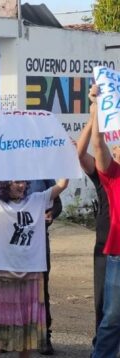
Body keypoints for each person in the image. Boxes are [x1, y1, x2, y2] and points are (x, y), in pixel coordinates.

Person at [0, 132, 68, 358]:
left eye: (24, 181)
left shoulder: (37, 200)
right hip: (3, 272)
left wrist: (66, 154)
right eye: (16, 181)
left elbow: (62, 184)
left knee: (28, 325)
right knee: (0, 325)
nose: (21, 185)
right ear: (5, 183)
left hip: (31, 272)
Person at [76, 86, 110, 346]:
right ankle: (102, 345)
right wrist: (93, 114)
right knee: (103, 300)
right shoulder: (106, 176)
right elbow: (81, 153)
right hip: (106, 247)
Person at [90, 84, 120, 358]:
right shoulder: (113, 175)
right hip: (118, 256)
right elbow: (98, 143)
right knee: (112, 319)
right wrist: (97, 106)